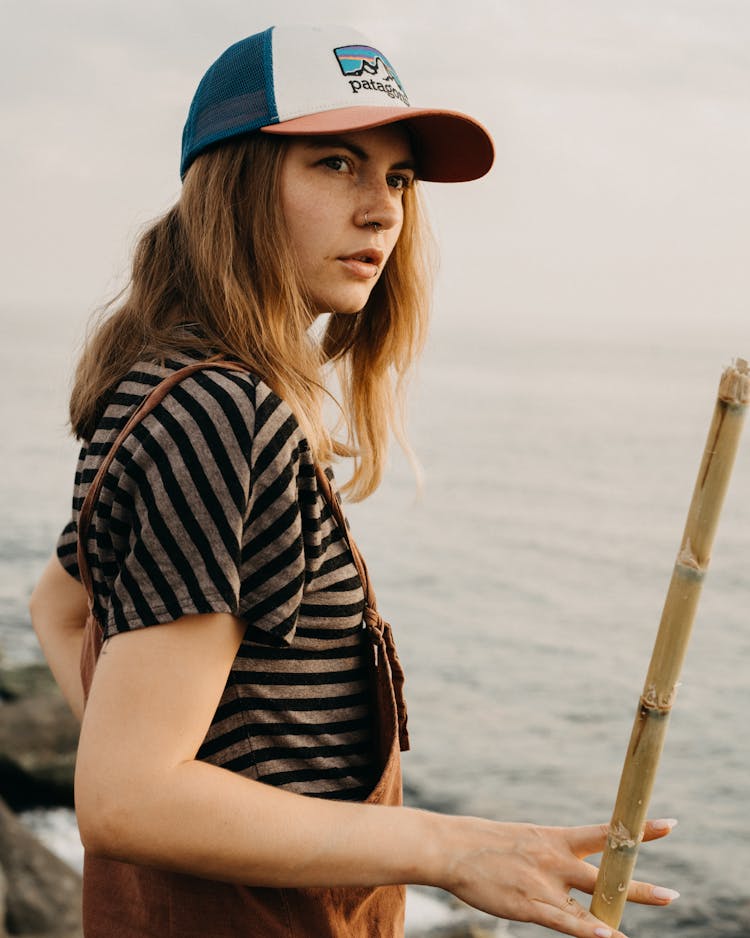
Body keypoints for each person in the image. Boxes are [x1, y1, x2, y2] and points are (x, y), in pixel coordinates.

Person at [29, 23, 679, 938]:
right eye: (336, 164)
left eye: (399, 178)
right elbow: (126, 800)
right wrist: (451, 849)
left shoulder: (166, 386)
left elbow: (57, 602)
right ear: (238, 183)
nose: (382, 210)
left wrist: (178, 767)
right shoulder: (220, 414)